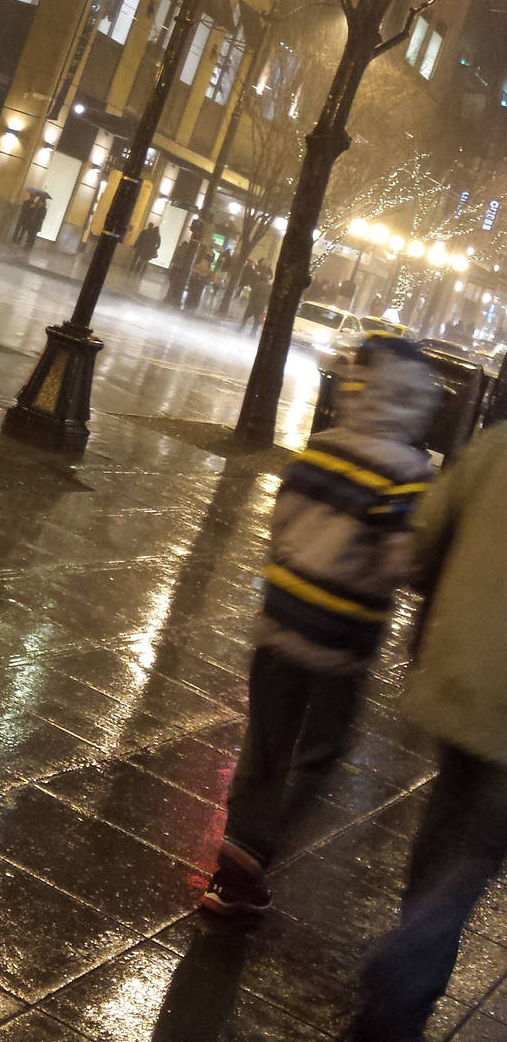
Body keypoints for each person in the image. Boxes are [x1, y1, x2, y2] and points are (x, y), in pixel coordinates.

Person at [200, 333, 439, 918]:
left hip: (279, 626)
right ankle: (255, 849)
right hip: (341, 642)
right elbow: (399, 564)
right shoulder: (409, 476)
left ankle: (236, 863)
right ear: (413, 405)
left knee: (264, 746)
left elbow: (280, 526)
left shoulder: (319, 451)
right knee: (322, 751)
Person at [345, 421, 507, 1041]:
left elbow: (422, 539)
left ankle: (400, 982)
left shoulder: (495, 447)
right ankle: (397, 992)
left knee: (445, 834)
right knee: (467, 864)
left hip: (460, 681)